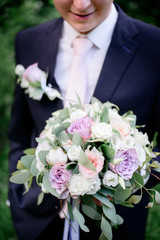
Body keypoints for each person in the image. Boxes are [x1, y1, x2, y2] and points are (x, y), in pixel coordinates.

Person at [8, 0, 160, 240]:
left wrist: (123, 182)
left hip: (115, 225)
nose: (81, 5)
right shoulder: (28, 41)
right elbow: (19, 131)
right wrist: (18, 196)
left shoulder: (154, 45)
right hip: (37, 221)